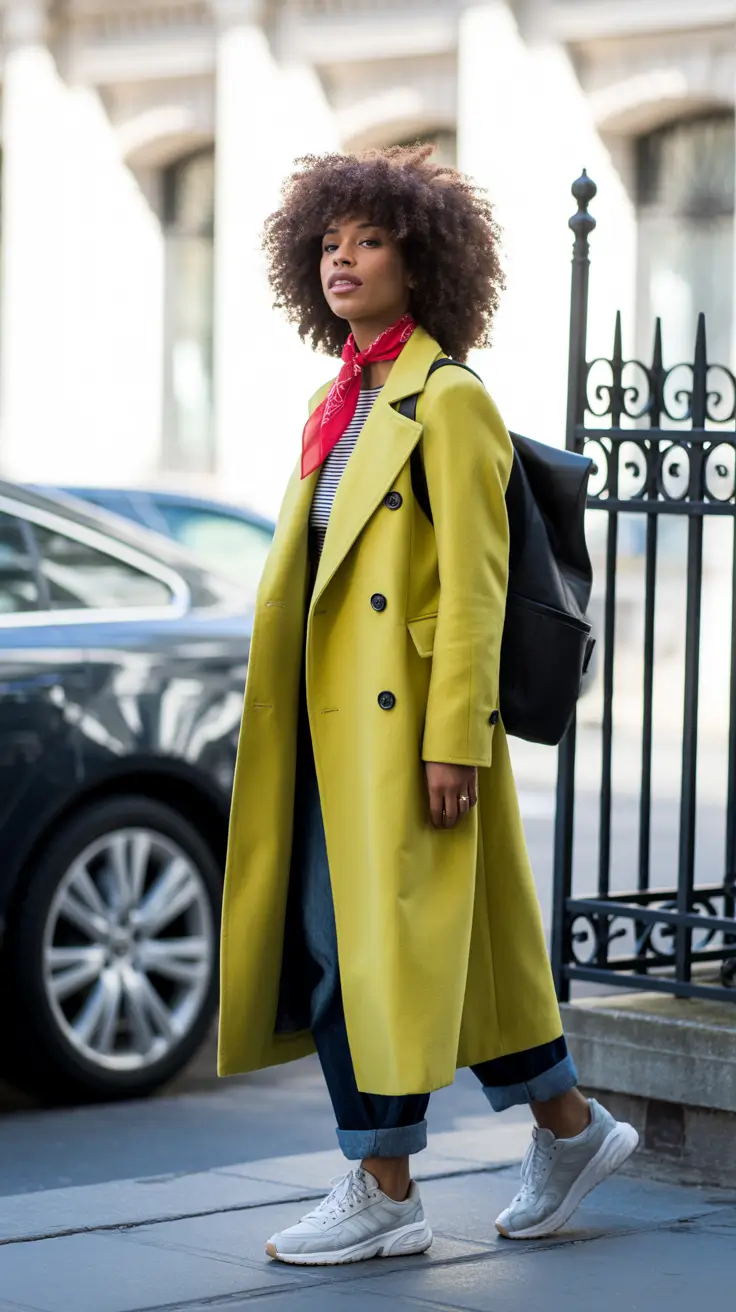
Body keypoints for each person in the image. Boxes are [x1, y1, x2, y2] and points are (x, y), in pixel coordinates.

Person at [218, 144, 638, 1267]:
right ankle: (569, 1128)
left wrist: (452, 738)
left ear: (422, 259)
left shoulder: (448, 402)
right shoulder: (331, 398)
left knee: (354, 947)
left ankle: (384, 1185)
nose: (340, 258)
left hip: (404, 734)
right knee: (428, 951)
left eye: (367, 238)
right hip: (321, 727)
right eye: (326, 241)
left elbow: (475, 584)